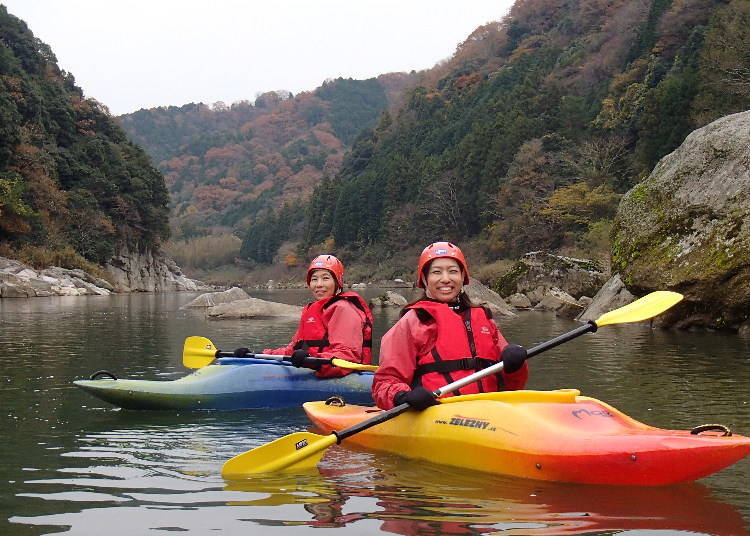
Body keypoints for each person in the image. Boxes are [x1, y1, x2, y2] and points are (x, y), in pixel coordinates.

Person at [371, 242, 528, 410]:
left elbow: (513, 384)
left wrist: (516, 366)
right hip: (437, 414)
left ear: (462, 276)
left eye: (453, 271)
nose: (445, 279)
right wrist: (403, 396)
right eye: (436, 272)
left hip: (490, 411)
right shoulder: (413, 321)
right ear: (424, 279)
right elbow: (384, 383)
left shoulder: (483, 318)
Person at [236, 254, 373, 378]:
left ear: (338, 282)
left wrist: (310, 360)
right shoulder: (311, 311)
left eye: (325, 278)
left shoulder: (344, 309)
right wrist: (259, 355)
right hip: (314, 368)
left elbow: (346, 356)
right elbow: (292, 350)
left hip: (340, 376)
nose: (319, 285)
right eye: (314, 279)